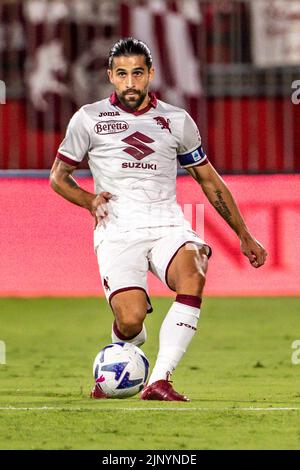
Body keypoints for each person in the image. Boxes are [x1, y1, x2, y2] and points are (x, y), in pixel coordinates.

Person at [50, 37, 267, 401]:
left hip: (167, 224)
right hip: (117, 231)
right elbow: (58, 177)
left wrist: (244, 234)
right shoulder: (88, 118)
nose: (130, 83)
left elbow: (207, 178)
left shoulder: (177, 120)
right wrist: (89, 201)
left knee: (195, 262)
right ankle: (124, 353)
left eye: (138, 73)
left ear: (151, 73)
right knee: (131, 319)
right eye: (122, 74)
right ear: (110, 76)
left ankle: (160, 379)